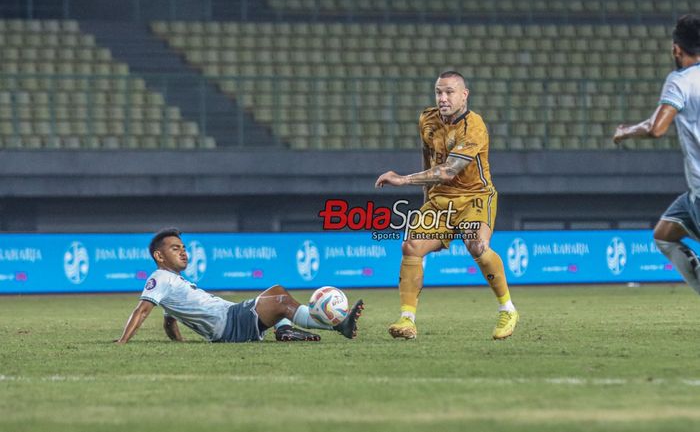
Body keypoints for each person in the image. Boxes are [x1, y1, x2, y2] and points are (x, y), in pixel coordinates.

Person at [375, 70, 518, 340]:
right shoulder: (427, 119)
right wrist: (426, 200)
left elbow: (448, 170)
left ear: (464, 95)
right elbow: (429, 160)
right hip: (440, 199)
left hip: (475, 196)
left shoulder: (474, 126)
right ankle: (407, 320)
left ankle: (507, 309)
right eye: (439, 92)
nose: (443, 98)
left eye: (449, 92)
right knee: (411, 246)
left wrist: (403, 180)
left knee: (476, 244)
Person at [115, 228, 363, 344]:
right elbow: (142, 310)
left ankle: (284, 330)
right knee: (280, 299)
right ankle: (340, 325)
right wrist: (122, 342)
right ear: (159, 256)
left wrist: (180, 343)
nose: (184, 253)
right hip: (230, 323)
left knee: (277, 293)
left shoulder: (172, 283)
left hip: (229, 320)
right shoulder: (160, 278)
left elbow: (169, 322)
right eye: (175, 248)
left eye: (184, 248)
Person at [614, 14, 700, 296]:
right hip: (691, 198)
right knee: (664, 234)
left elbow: (656, 128)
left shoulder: (680, 81)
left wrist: (625, 132)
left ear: (676, 49)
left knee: (664, 238)